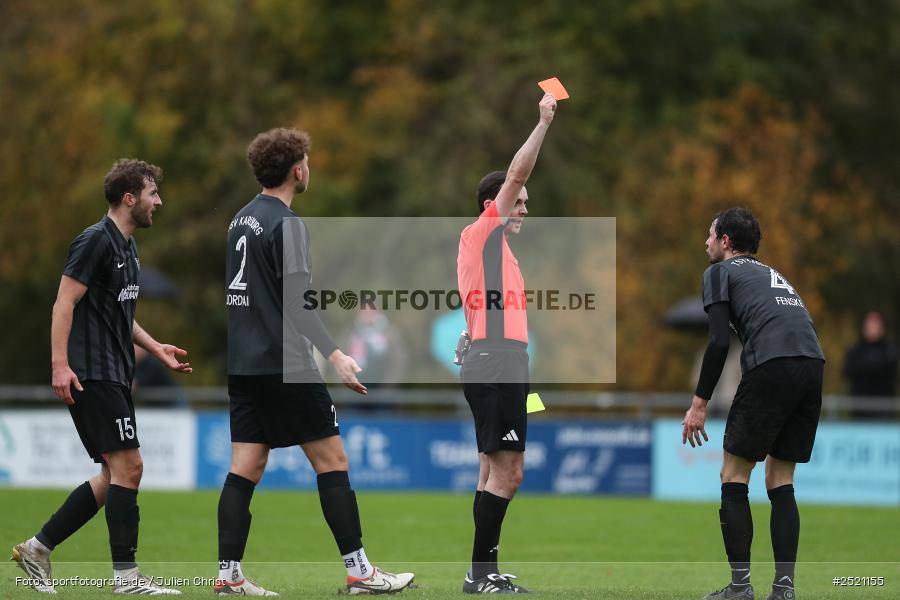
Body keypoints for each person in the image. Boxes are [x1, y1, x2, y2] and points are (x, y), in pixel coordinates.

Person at [216, 128, 415, 596]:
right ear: (296, 170)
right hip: (285, 362)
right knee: (333, 461)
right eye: (307, 160)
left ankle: (228, 576)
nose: (310, 167)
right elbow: (298, 304)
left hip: (243, 364)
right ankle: (360, 572)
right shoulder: (289, 224)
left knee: (245, 466)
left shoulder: (239, 220)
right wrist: (337, 354)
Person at [12, 159, 192, 595]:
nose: (159, 201)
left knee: (116, 474)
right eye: (152, 193)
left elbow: (121, 317)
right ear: (129, 198)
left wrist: (156, 349)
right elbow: (63, 304)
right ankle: (127, 580)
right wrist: (60, 364)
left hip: (113, 371)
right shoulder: (94, 241)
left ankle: (38, 548)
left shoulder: (128, 247)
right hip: (91, 373)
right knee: (130, 466)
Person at [682, 208, 825, 600]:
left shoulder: (719, 273)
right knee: (781, 480)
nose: (705, 243)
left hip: (772, 365)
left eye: (710, 235)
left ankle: (741, 587)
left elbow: (718, 343)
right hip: (812, 364)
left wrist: (698, 403)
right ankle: (784, 590)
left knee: (733, 476)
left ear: (726, 241)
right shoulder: (771, 274)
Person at [456, 93, 557, 594]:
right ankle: (482, 575)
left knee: (489, 471)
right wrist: (541, 122)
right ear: (491, 205)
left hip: (500, 362)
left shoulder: (499, 251)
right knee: (509, 474)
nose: (523, 206)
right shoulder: (484, 233)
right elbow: (516, 173)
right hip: (497, 364)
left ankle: (482, 572)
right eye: (518, 201)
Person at [842, 310, 898, 419]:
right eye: (870, 324)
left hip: (884, 412)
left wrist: (866, 367)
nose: (872, 328)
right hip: (859, 411)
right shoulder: (855, 350)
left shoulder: (890, 350)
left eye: (875, 324)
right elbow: (847, 371)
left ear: (882, 327)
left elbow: (891, 372)